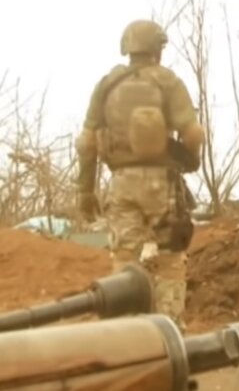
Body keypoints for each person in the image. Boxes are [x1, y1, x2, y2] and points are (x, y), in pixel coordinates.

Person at [74, 19, 205, 330]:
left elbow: (87, 143)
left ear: (128, 48)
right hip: (162, 184)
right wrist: (190, 160)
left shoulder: (107, 85)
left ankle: (126, 334)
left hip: (121, 184)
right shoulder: (167, 81)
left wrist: (86, 192)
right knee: (170, 259)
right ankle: (170, 331)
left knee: (124, 260)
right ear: (157, 49)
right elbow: (193, 133)